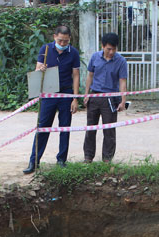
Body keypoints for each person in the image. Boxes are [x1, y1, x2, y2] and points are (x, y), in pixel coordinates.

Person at [23, 25, 80, 174]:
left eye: (65, 41)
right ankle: (34, 161)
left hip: (66, 94)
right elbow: (37, 69)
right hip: (48, 94)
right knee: (42, 127)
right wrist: (40, 69)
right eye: (60, 40)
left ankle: (61, 160)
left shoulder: (73, 53)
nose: (62, 44)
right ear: (54, 37)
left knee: (65, 128)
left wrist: (75, 98)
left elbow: (76, 75)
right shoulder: (45, 49)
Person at [83, 32, 128, 163]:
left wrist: (123, 100)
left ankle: (107, 158)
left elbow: (122, 81)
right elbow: (90, 76)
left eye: (114, 49)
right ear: (102, 46)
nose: (111, 52)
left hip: (110, 98)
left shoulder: (121, 61)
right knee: (90, 128)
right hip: (94, 95)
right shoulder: (95, 57)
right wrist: (86, 94)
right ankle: (88, 157)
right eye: (109, 49)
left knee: (109, 130)